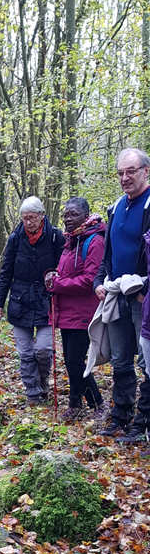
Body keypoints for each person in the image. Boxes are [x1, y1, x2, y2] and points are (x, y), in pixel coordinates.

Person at [93, 147, 150, 441]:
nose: (125, 178)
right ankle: (121, 416)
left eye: (131, 171)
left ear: (146, 171)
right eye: (120, 173)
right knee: (121, 360)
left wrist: (145, 292)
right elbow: (109, 254)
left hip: (142, 297)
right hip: (116, 294)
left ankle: (142, 424)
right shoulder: (115, 207)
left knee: (147, 363)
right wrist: (100, 281)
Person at [0, 196, 65, 405]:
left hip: (46, 301)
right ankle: (33, 394)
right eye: (24, 218)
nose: (28, 222)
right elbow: (5, 272)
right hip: (19, 301)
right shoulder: (15, 238)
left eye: (32, 218)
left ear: (41, 216)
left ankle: (42, 382)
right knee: (25, 353)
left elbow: (64, 267)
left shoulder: (55, 237)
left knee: (42, 350)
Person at [45, 197, 105, 422]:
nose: (68, 219)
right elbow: (67, 273)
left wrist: (58, 284)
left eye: (73, 214)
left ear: (86, 214)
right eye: (66, 214)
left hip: (84, 312)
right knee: (72, 361)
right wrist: (53, 277)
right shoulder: (70, 241)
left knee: (75, 361)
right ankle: (81, 403)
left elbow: (90, 279)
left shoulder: (94, 241)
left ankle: (91, 403)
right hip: (66, 311)